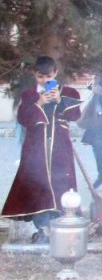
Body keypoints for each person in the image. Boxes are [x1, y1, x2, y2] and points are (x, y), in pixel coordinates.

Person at [1, 56, 83, 242]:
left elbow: (75, 115)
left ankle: (59, 227)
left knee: (61, 186)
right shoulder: (29, 95)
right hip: (35, 150)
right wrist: (39, 104)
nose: (44, 81)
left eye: (48, 77)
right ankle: (43, 229)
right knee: (38, 186)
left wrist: (60, 100)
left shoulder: (69, 92)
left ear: (55, 73)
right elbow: (23, 119)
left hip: (60, 150)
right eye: (40, 77)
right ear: (34, 74)